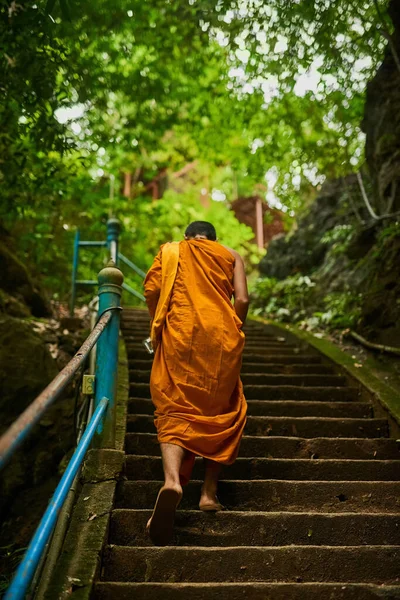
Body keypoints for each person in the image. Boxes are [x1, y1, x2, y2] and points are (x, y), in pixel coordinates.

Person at [143, 220, 249, 545]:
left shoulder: (172, 250)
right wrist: (234, 329)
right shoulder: (230, 254)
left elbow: (152, 291)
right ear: (214, 240)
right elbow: (242, 300)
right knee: (222, 409)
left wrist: (157, 323)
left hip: (179, 334)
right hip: (220, 339)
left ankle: (173, 481)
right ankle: (208, 493)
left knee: (174, 406)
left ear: (188, 237)